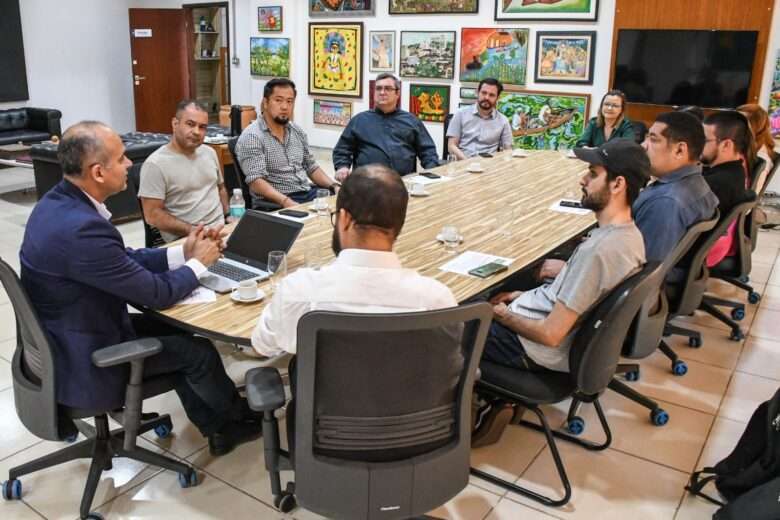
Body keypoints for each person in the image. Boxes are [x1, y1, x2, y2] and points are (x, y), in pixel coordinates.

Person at [20, 121, 262, 456]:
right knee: (197, 353)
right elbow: (156, 295)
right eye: (121, 159)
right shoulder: (80, 230)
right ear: (98, 172)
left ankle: (217, 427)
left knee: (175, 334)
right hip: (87, 359)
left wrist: (181, 252)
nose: (129, 164)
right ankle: (234, 422)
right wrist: (199, 264)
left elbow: (121, 259)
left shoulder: (58, 203)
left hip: (70, 334)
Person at [252, 163, 457, 357]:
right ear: (400, 223)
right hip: (411, 394)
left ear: (344, 219)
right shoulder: (437, 300)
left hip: (326, 394)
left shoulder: (298, 291)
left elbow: (263, 346)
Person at [482, 139, 648, 375]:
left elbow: (550, 335)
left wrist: (501, 315)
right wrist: (520, 296)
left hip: (531, 350)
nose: (583, 180)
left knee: (447, 328)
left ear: (617, 184)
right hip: (541, 325)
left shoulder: (599, 251)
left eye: (592, 174)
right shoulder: (630, 236)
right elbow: (576, 295)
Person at [235, 78, 336, 209]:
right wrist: (287, 202)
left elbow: (311, 167)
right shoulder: (253, 136)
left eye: (289, 101)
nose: (285, 106)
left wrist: (335, 186)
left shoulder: (296, 131)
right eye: (278, 100)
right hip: (276, 202)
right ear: (265, 103)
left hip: (306, 193)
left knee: (349, 202)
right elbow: (256, 182)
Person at [633, 111, 718, 264]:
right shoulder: (698, 183)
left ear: (679, 150)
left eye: (653, 139)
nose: (643, 146)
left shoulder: (665, 202)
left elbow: (644, 268)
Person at [138, 100, 228, 242]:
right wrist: (194, 231)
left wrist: (229, 216)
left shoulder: (209, 152)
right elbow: (152, 215)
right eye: (190, 124)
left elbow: (221, 188)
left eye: (202, 127)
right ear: (175, 124)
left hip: (221, 231)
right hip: (186, 239)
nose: (197, 132)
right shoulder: (155, 164)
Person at [332, 73, 440, 181]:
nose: (382, 92)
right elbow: (342, 149)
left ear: (397, 93)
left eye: (388, 89)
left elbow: (428, 151)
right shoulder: (359, 121)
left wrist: (431, 173)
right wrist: (342, 167)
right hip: (366, 184)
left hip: (403, 183)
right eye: (378, 89)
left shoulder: (411, 121)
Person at [700, 111, 753, 267]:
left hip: (702, 254)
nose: (698, 145)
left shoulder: (716, 183)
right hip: (715, 247)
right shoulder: (735, 171)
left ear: (726, 145)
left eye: (704, 140)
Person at [446, 77, 513, 160]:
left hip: (489, 165)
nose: (486, 97)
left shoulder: (503, 121)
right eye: (484, 93)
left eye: (491, 95)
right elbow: (451, 146)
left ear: (498, 98)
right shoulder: (460, 114)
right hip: (462, 163)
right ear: (477, 92)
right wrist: (467, 162)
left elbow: (508, 150)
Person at [738, 103, 778, 193]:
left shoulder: (761, 157)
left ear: (754, 126)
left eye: (740, 122)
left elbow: (752, 196)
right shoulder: (744, 145)